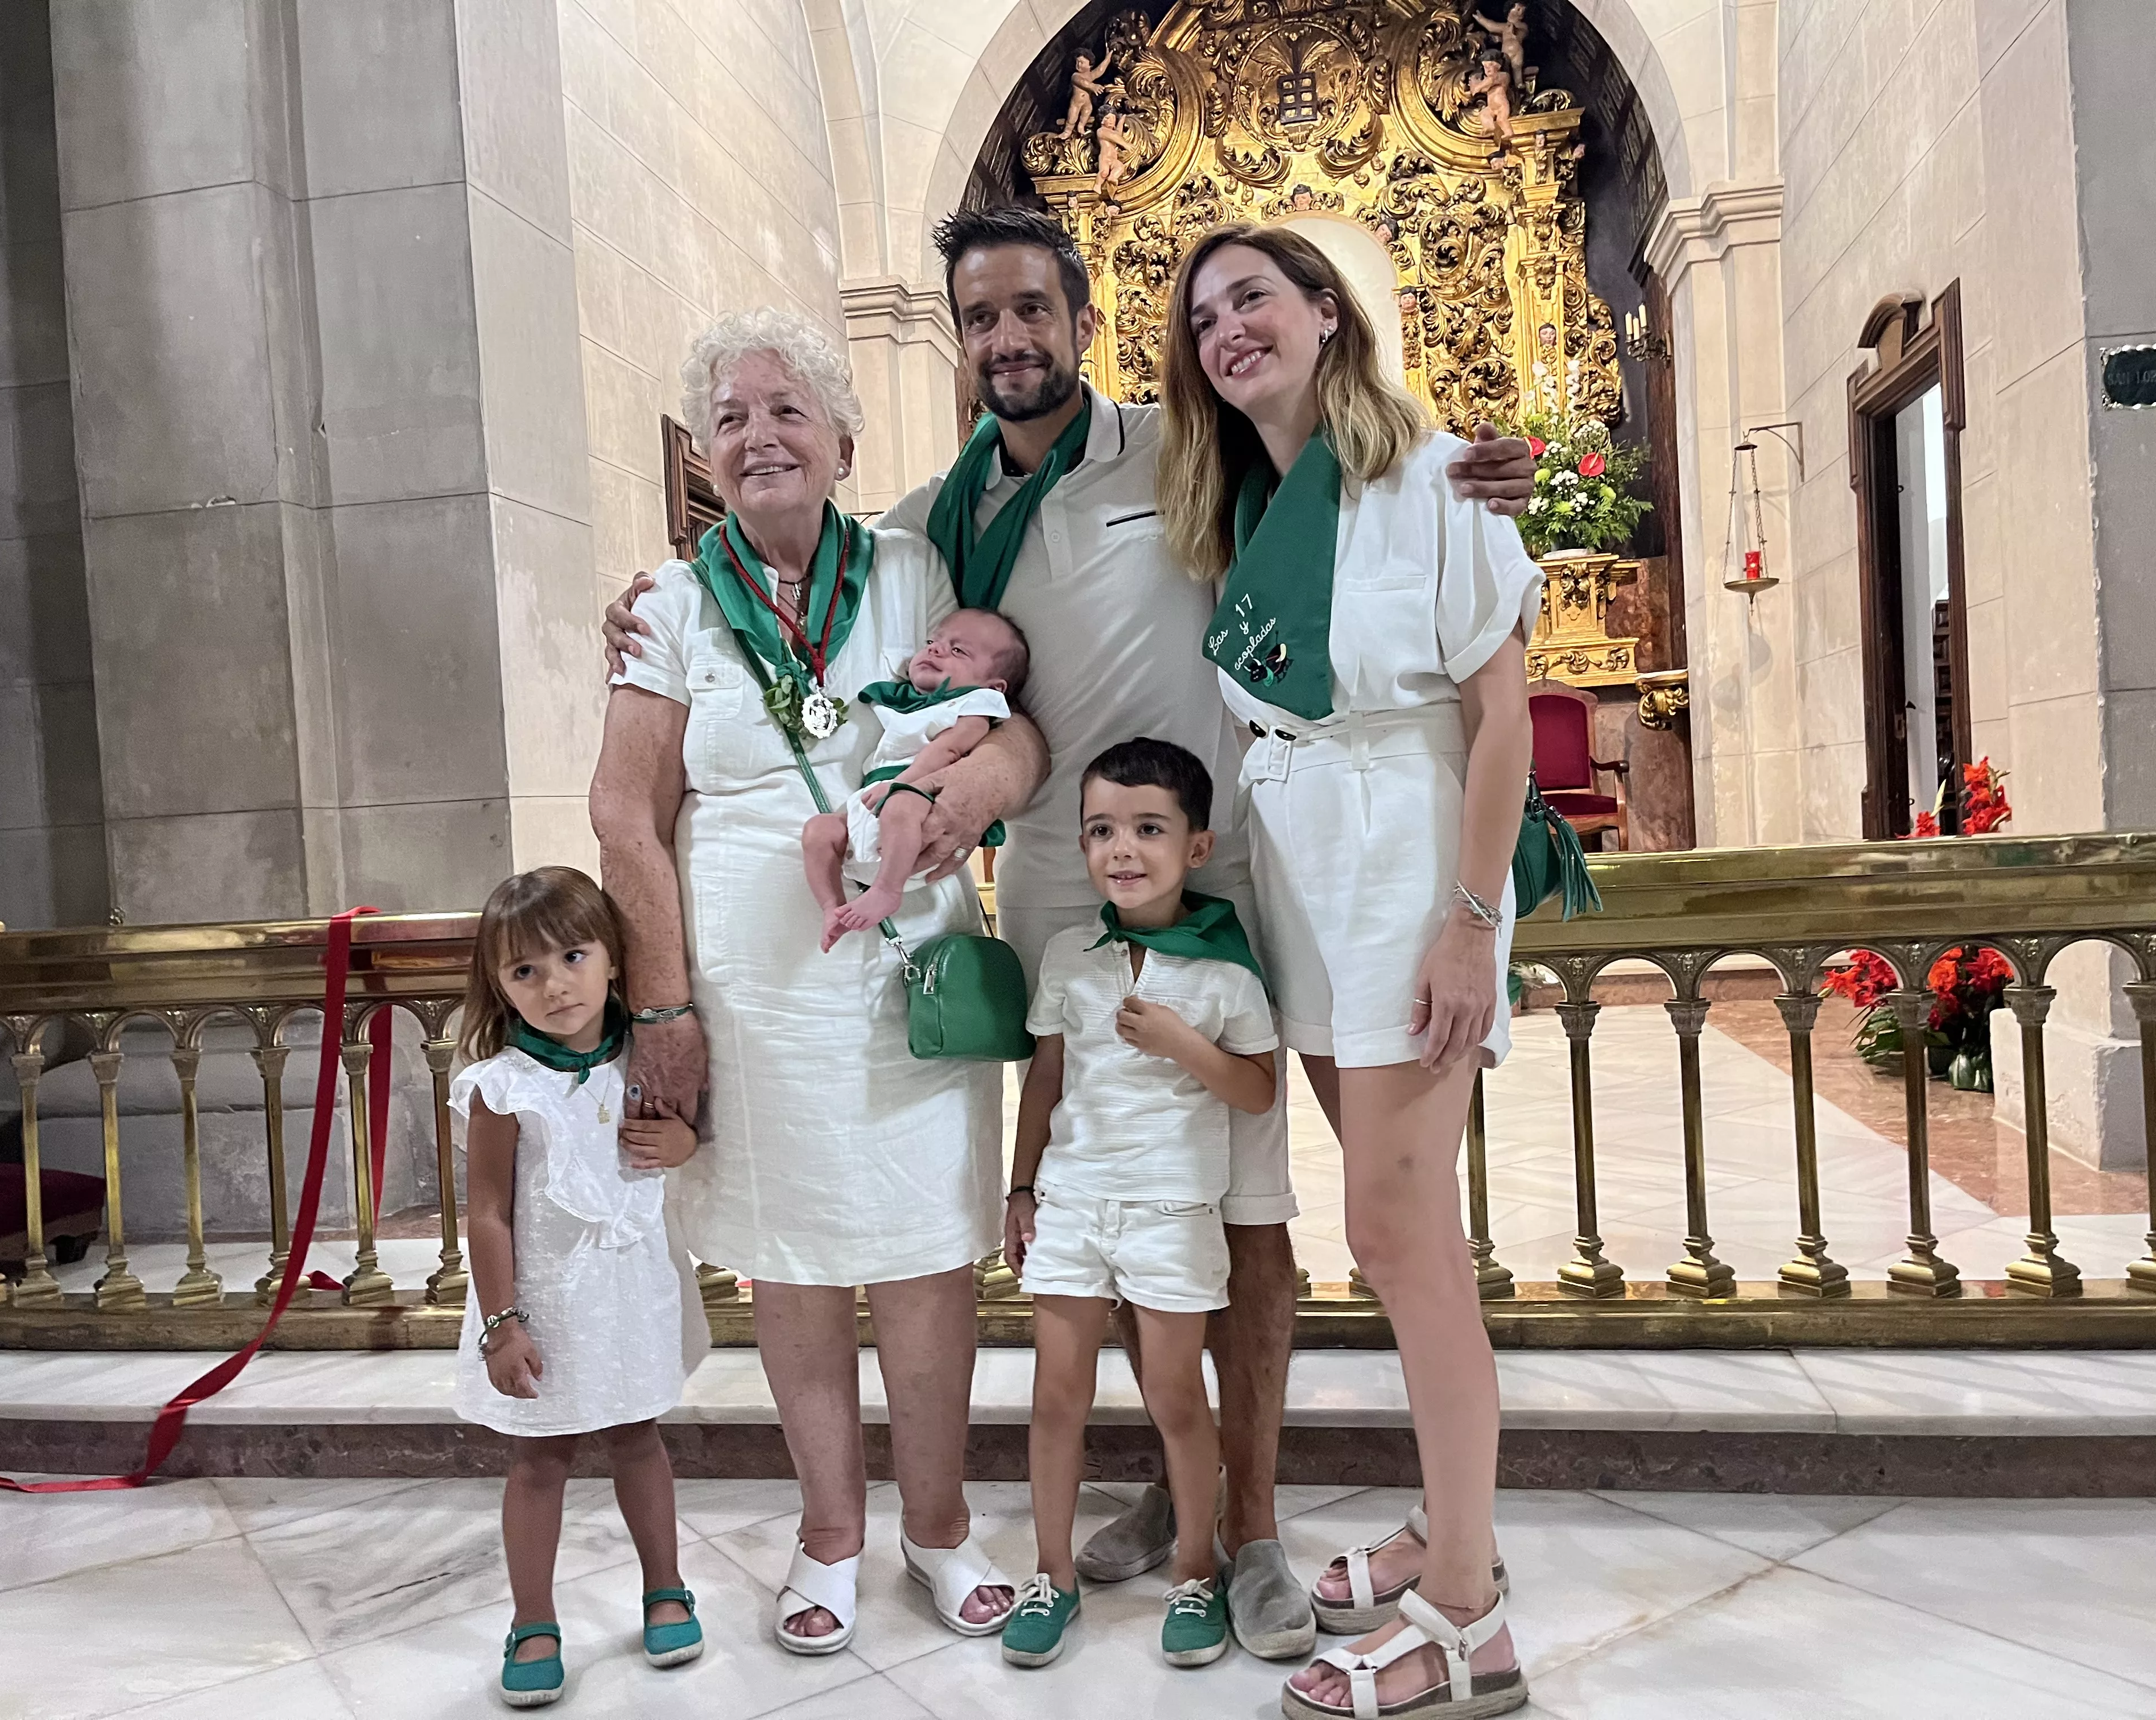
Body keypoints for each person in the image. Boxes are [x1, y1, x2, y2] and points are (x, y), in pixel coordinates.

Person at [604, 206, 1534, 1663]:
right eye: (981, 319)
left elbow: (1353, 486)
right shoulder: (929, 520)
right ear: (957, 340)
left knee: (1240, 1203)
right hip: (1047, 888)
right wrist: (650, 599)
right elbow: (810, 583)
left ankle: (1260, 1527)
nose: (1008, 340)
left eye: (1033, 310)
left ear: (1082, 321)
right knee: (1102, 1201)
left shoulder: (1182, 445)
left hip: (1222, 866)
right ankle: (1180, 1500)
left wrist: (1475, 467)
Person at [592, 308, 1048, 1659]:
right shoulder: (670, 604)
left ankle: (943, 1525)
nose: (759, 437)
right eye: (730, 419)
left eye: (787, 411)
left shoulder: (916, 571)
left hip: (908, 965)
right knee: (790, 1263)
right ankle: (833, 1533)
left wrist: (975, 796)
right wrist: (665, 1008)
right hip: (749, 983)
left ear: (845, 442)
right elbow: (626, 815)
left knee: (923, 1255)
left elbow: (1023, 733)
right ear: (706, 456)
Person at [1166, 221, 1537, 1718]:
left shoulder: (1440, 482)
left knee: (1397, 1238)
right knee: (1394, 1225)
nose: (1228, 329)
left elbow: (1501, 722)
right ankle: (1456, 1533)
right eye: (1202, 319)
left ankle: (1466, 1616)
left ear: (1329, 314)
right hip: (1301, 877)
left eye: (1254, 297)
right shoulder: (1243, 510)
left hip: (1406, 868)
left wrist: (1468, 917)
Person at [999, 738, 1279, 1673]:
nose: (1123, 848)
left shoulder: (1223, 969)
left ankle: (1196, 1569)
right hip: (1074, 1202)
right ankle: (1051, 1574)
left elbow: (1254, 1090)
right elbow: (1045, 1076)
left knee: (1174, 1395)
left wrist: (1178, 1040)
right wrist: (1022, 1184)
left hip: (1170, 1209)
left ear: (1196, 846)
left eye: (1148, 828)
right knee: (1054, 1395)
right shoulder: (1070, 953)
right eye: (1102, 830)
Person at [452, 866, 707, 1709]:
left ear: (614, 959)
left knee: (639, 1437)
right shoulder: (503, 1085)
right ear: (498, 985)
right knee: (540, 1457)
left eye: (573, 956)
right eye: (525, 971)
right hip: (545, 1299)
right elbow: (488, 1212)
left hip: (630, 1287)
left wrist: (683, 1147)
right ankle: (533, 1619)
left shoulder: (647, 1053)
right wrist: (502, 1323)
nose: (556, 985)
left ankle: (665, 1587)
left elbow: (688, 1137)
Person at [802, 606, 1030, 948]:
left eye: (958, 650)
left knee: (901, 807)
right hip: (877, 799)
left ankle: (887, 891)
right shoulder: (909, 702)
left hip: (922, 801)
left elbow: (949, 751)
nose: (936, 649)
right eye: (932, 641)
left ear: (993, 686)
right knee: (819, 830)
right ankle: (832, 907)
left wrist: (904, 784)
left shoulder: (973, 705)